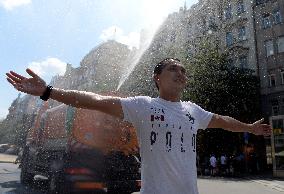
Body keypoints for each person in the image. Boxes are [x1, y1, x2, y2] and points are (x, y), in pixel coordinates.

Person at [6, 58, 272, 194]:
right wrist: (48, 91)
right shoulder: (143, 106)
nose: (181, 73)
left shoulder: (193, 111)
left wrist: (249, 126)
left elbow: (222, 121)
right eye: (173, 69)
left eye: (183, 70)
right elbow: (96, 101)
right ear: (157, 78)